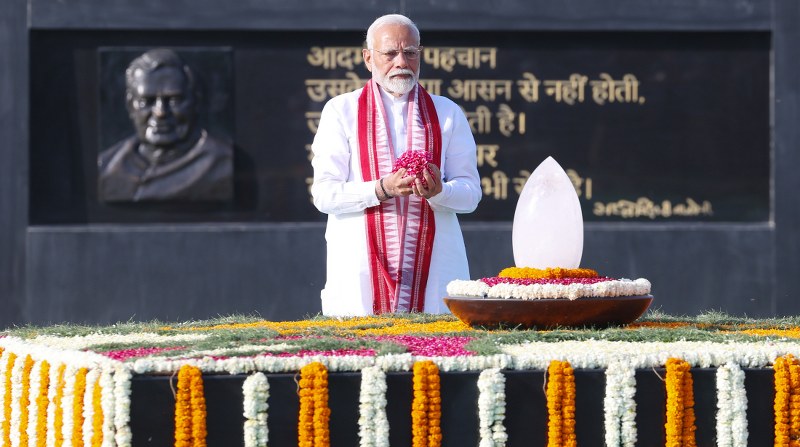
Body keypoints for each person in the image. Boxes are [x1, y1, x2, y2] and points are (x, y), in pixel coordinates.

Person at [311, 14, 482, 316]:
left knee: (437, 360)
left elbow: (470, 195)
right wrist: (382, 188)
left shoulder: (447, 112)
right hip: (360, 273)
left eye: (410, 52)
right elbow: (324, 195)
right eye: (390, 53)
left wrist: (439, 191)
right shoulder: (341, 110)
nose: (401, 62)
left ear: (420, 55)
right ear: (368, 58)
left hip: (435, 272)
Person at [98, 48, 233, 202]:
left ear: (195, 102)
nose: (160, 112)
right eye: (146, 102)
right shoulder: (108, 165)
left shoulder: (222, 163)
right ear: (130, 105)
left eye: (174, 100)